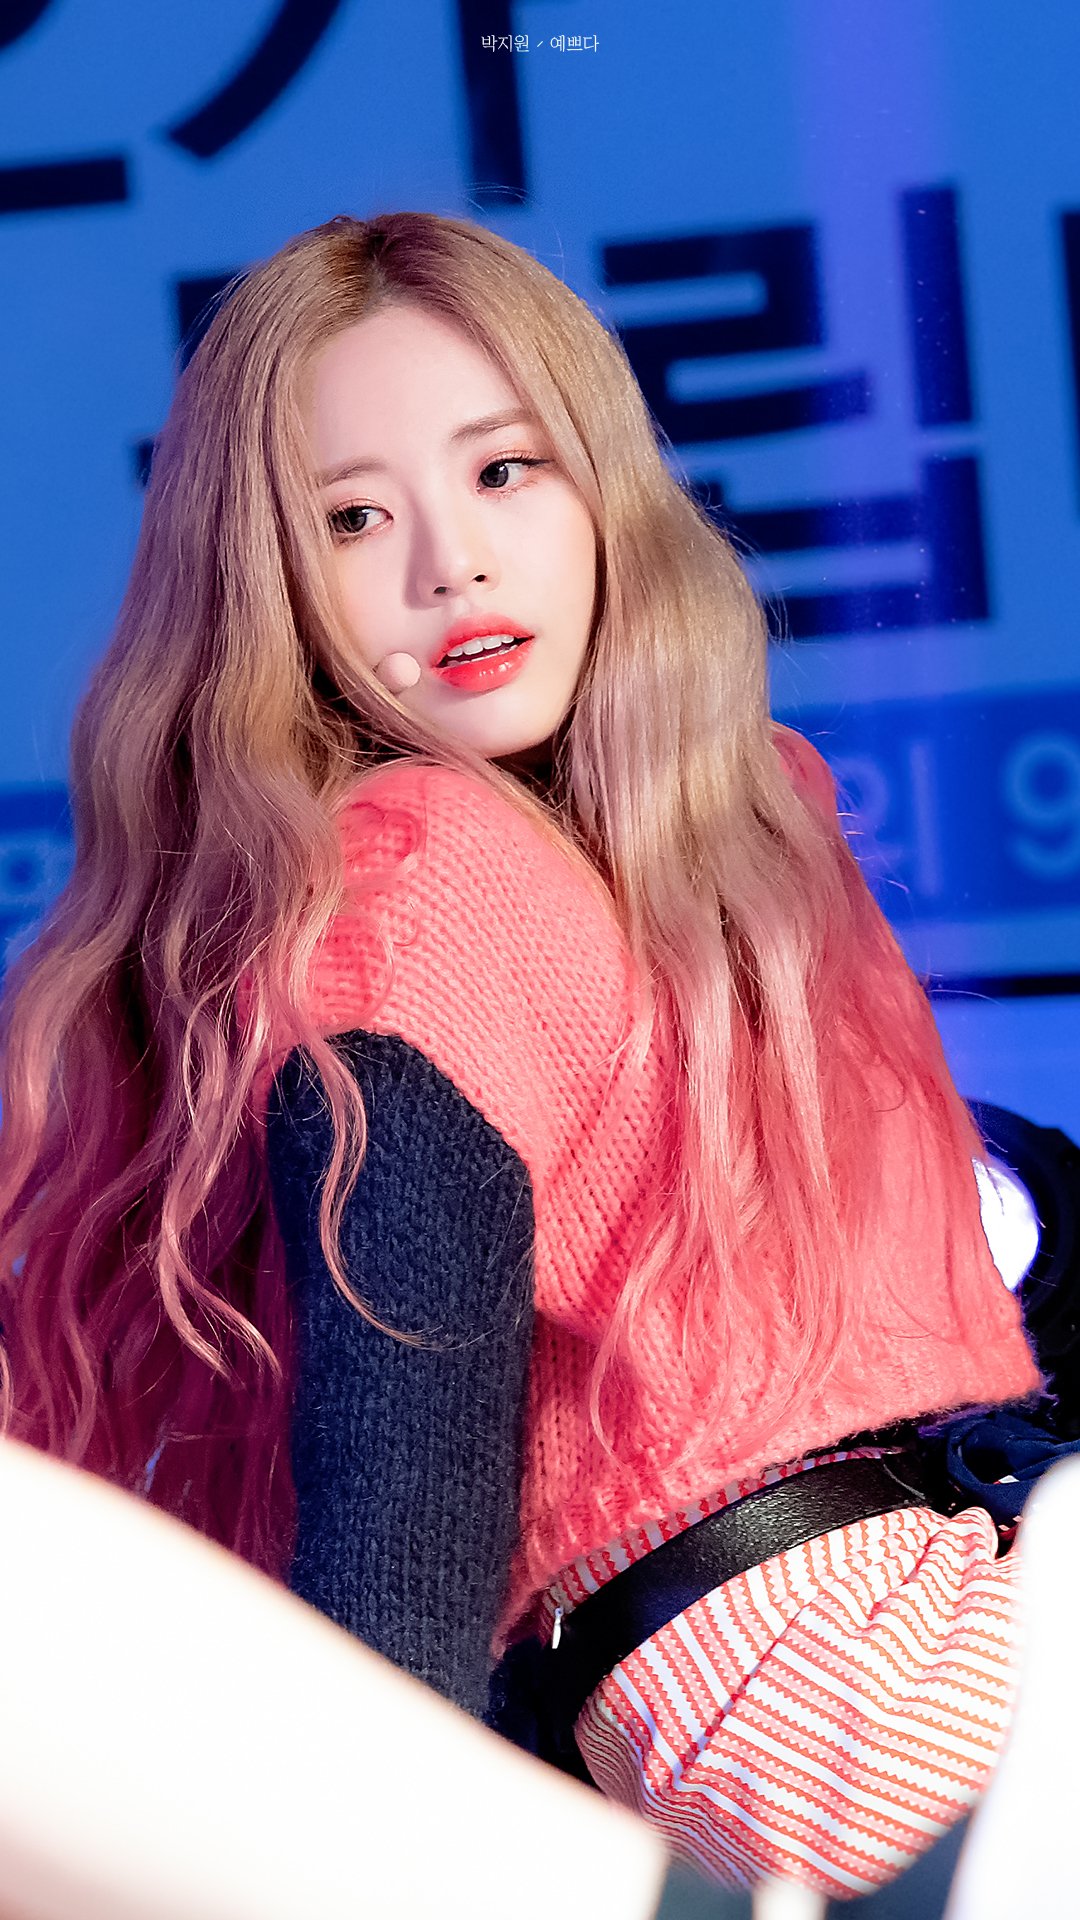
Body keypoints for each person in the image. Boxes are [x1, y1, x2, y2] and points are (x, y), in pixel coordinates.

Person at [0, 211, 1042, 1904]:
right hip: (822, 1701)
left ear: (600, 485)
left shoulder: (720, 825)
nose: (453, 567)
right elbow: (399, 1517)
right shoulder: (422, 878)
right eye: (352, 518)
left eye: (505, 472)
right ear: (270, 585)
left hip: (919, 1602)